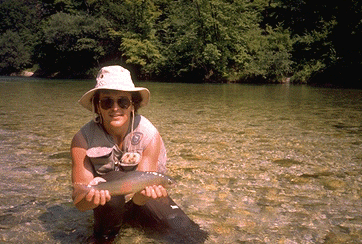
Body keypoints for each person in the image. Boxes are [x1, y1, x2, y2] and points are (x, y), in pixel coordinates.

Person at [71, 65, 169, 240]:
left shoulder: (151, 136)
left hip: (138, 199)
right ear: (97, 107)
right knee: (109, 213)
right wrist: (93, 198)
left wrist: (145, 195)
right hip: (108, 196)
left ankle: (129, 218)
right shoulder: (81, 140)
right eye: (107, 102)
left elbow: (139, 199)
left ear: (133, 105)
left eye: (123, 101)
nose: (115, 108)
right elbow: (80, 204)